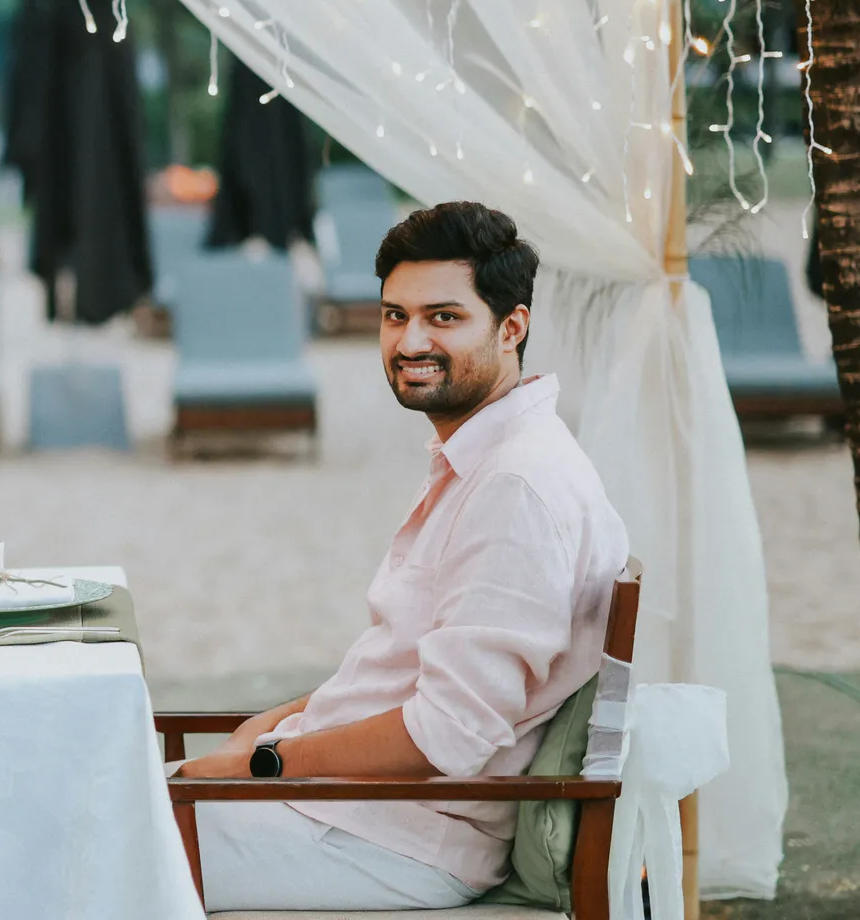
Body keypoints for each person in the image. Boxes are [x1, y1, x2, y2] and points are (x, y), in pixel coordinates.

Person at [175, 201, 629, 910]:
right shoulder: (483, 458)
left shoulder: (516, 486)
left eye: (443, 317)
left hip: (389, 836)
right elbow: (407, 671)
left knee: (77, 844)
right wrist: (276, 722)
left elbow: (450, 733)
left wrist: (269, 762)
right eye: (394, 316)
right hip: (343, 808)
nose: (410, 340)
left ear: (512, 327)